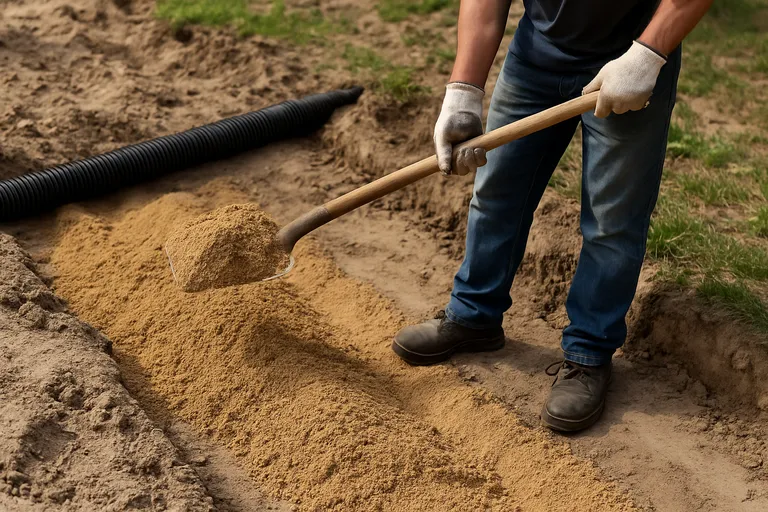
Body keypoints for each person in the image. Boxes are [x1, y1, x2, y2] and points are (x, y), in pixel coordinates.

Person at [391, 0, 713, 432]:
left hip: (629, 58)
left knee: (611, 221)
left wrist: (648, 54)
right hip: (536, 56)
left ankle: (587, 356)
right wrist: (463, 90)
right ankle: (473, 316)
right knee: (497, 193)